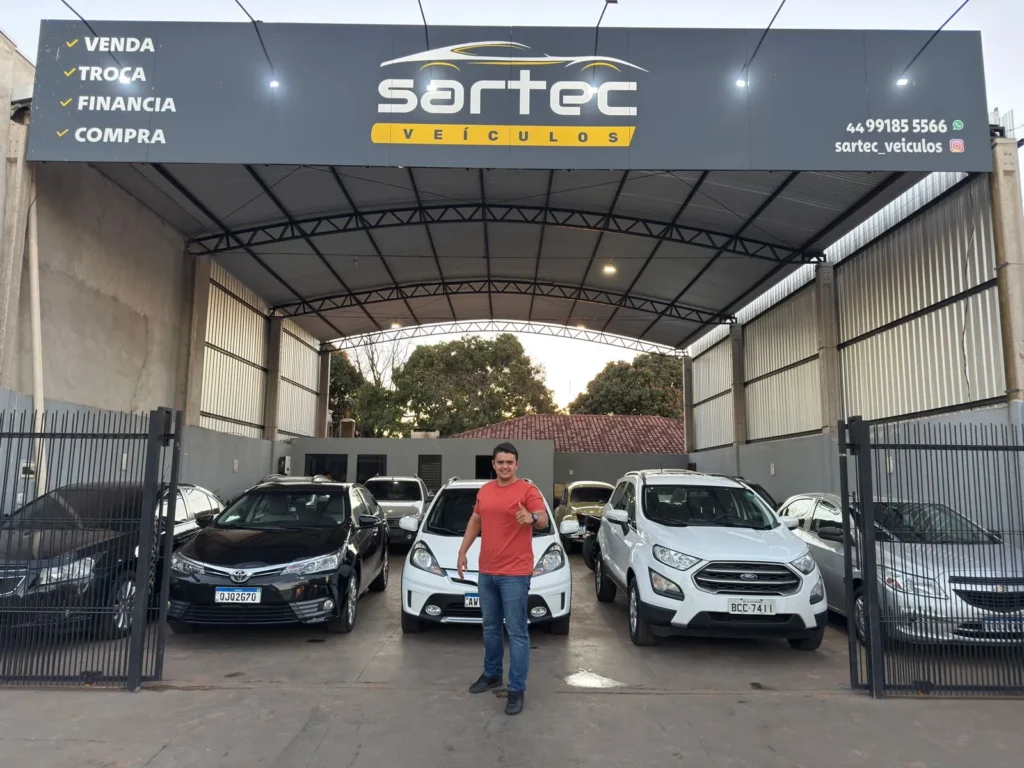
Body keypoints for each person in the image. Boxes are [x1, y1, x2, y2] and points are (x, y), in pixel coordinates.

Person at [457, 442, 548, 716]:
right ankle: (492, 674)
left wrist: (531, 516)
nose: (505, 466)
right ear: (493, 465)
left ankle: (516, 689)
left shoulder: (528, 490)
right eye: (500, 462)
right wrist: (462, 551)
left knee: (517, 632)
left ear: (517, 464)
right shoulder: (485, 491)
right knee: (490, 627)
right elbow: (475, 521)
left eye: (509, 462)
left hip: (515, 574)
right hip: (487, 571)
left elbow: (543, 519)